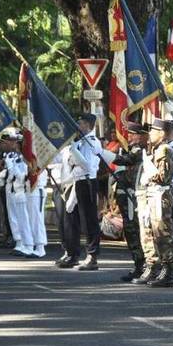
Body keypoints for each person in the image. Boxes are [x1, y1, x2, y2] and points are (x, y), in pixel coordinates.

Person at [99, 121, 147, 281]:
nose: (130, 137)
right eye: (130, 134)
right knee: (130, 232)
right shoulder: (132, 149)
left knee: (136, 232)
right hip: (127, 198)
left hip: (134, 199)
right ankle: (138, 265)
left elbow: (124, 160)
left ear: (141, 136)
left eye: (133, 134)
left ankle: (144, 266)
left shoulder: (141, 151)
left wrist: (102, 152)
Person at [134, 117, 173, 287]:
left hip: (161, 196)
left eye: (153, 131)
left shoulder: (165, 150)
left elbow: (164, 177)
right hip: (153, 195)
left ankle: (169, 270)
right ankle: (158, 267)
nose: (150, 134)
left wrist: (150, 176)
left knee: (163, 234)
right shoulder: (156, 150)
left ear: (162, 133)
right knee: (154, 233)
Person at [68, 113, 102, 271]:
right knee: (81, 218)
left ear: (88, 125)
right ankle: (87, 254)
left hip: (88, 182)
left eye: (80, 123)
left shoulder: (91, 142)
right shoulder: (82, 141)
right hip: (80, 181)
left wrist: (73, 151)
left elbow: (87, 165)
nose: (78, 126)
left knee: (90, 221)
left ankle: (92, 256)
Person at [0, 130, 34, 256]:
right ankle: (18, 241)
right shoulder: (9, 156)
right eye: (12, 142)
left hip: (19, 188)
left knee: (21, 217)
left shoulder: (23, 158)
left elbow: (23, 174)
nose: (13, 144)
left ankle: (24, 242)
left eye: (15, 142)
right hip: (9, 187)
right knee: (12, 216)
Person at [25, 167, 48, 258]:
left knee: (37, 220)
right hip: (30, 191)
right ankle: (35, 245)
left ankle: (40, 247)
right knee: (32, 220)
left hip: (37, 191)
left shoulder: (39, 164)